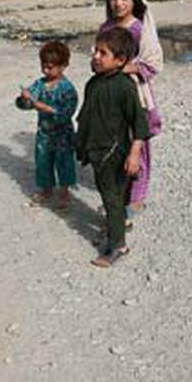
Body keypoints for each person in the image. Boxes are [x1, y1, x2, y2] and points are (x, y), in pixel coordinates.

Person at [76, 28, 150, 268]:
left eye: (103, 53)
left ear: (120, 60)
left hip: (114, 154)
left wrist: (135, 154)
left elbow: (139, 123)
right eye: (95, 51)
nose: (96, 56)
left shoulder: (125, 86)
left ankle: (118, 244)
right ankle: (117, 221)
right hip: (97, 152)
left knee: (112, 197)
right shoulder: (93, 84)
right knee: (111, 195)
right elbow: (86, 117)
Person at [98, 0, 163, 221]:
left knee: (138, 143)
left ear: (134, 1)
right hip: (110, 92)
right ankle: (118, 195)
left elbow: (152, 62)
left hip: (134, 94)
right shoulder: (106, 28)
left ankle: (136, 198)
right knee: (117, 143)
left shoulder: (139, 29)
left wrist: (123, 69)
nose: (118, 3)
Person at [16, 41, 78, 211]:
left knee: (64, 162)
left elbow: (67, 113)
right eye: (43, 66)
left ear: (63, 66)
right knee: (43, 161)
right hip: (44, 133)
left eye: (50, 67)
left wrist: (46, 108)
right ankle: (47, 189)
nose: (45, 70)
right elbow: (26, 104)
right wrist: (25, 99)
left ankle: (65, 191)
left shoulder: (67, 89)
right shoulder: (39, 84)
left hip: (63, 134)